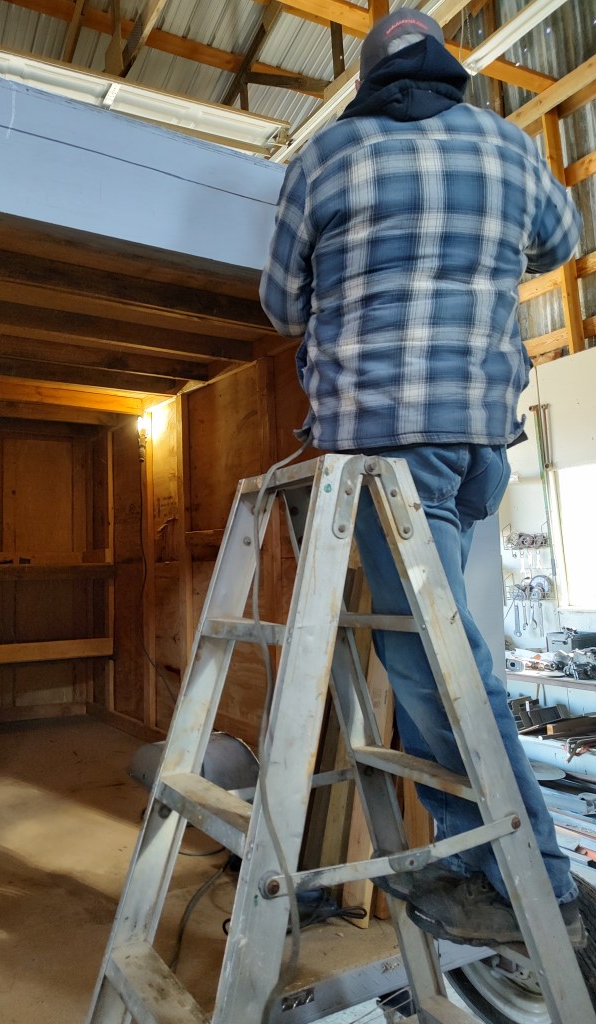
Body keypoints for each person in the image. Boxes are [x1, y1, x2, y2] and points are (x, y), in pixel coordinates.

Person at [260, 8, 584, 948]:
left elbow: (281, 306)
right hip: (482, 439)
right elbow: (561, 243)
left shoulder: (328, 154)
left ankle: (533, 882)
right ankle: (474, 854)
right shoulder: (510, 144)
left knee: (440, 662)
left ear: (367, 77)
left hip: (388, 440)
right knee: (440, 648)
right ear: (447, 67)